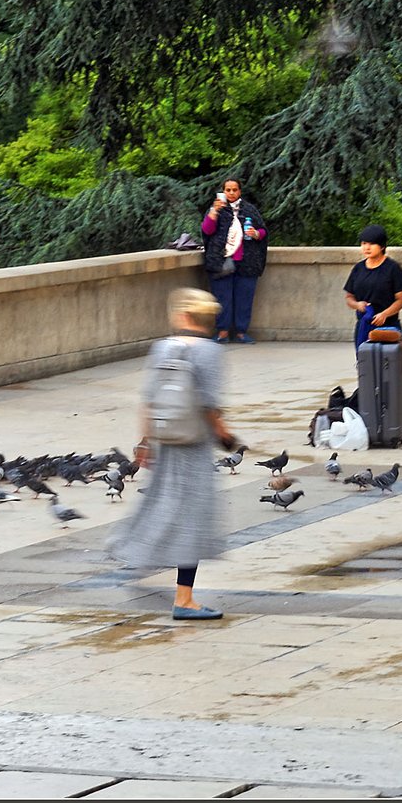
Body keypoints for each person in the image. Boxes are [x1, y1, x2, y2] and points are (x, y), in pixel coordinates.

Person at [106, 288, 241, 621]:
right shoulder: (210, 353)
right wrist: (224, 436)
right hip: (193, 446)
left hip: (166, 443)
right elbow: (209, 405)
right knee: (191, 521)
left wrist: (145, 442)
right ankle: (184, 600)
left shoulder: (162, 348)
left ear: (183, 317)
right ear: (208, 320)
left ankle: (128, 545)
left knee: (161, 505)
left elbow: (148, 401)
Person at [200, 179, 268, 344]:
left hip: (247, 262)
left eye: (234, 190)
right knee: (222, 298)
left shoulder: (249, 210)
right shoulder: (217, 210)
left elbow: (263, 230)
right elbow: (207, 230)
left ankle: (241, 332)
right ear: (223, 191)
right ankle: (222, 332)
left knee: (244, 298)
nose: (231, 193)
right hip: (221, 261)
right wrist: (214, 211)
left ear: (240, 192)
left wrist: (256, 234)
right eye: (228, 190)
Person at [343, 224, 402, 360]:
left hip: (388, 327)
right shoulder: (358, 269)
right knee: (366, 367)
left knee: (388, 367)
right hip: (364, 326)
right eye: (364, 243)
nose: (367, 247)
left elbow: (401, 299)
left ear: (382, 246)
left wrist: (384, 314)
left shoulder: (393, 268)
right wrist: (357, 305)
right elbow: (349, 297)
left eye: (372, 244)